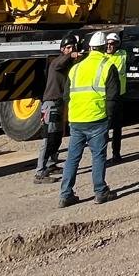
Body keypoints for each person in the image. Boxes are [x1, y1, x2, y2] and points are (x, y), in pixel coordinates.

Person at [58, 32, 121, 207]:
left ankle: (65, 195)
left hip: (77, 120)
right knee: (98, 156)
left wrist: (72, 115)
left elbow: (66, 96)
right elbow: (112, 97)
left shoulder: (76, 68)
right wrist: (109, 117)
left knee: (72, 158)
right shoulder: (108, 66)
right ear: (104, 48)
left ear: (90, 48)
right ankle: (100, 192)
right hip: (97, 119)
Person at [32, 33, 81, 184]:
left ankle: (51, 164)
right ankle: (39, 173)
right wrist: (71, 55)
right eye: (68, 47)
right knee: (48, 138)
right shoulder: (57, 62)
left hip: (60, 103)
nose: (71, 49)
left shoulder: (67, 64)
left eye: (73, 47)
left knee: (58, 136)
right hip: (51, 104)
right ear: (62, 49)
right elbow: (60, 63)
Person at [103, 30, 128, 162]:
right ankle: (102, 155)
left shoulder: (122, 55)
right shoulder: (102, 57)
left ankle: (116, 154)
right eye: (107, 44)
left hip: (118, 97)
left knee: (117, 128)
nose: (109, 46)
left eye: (112, 44)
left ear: (117, 44)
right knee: (104, 128)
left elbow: (137, 59)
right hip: (105, 98)